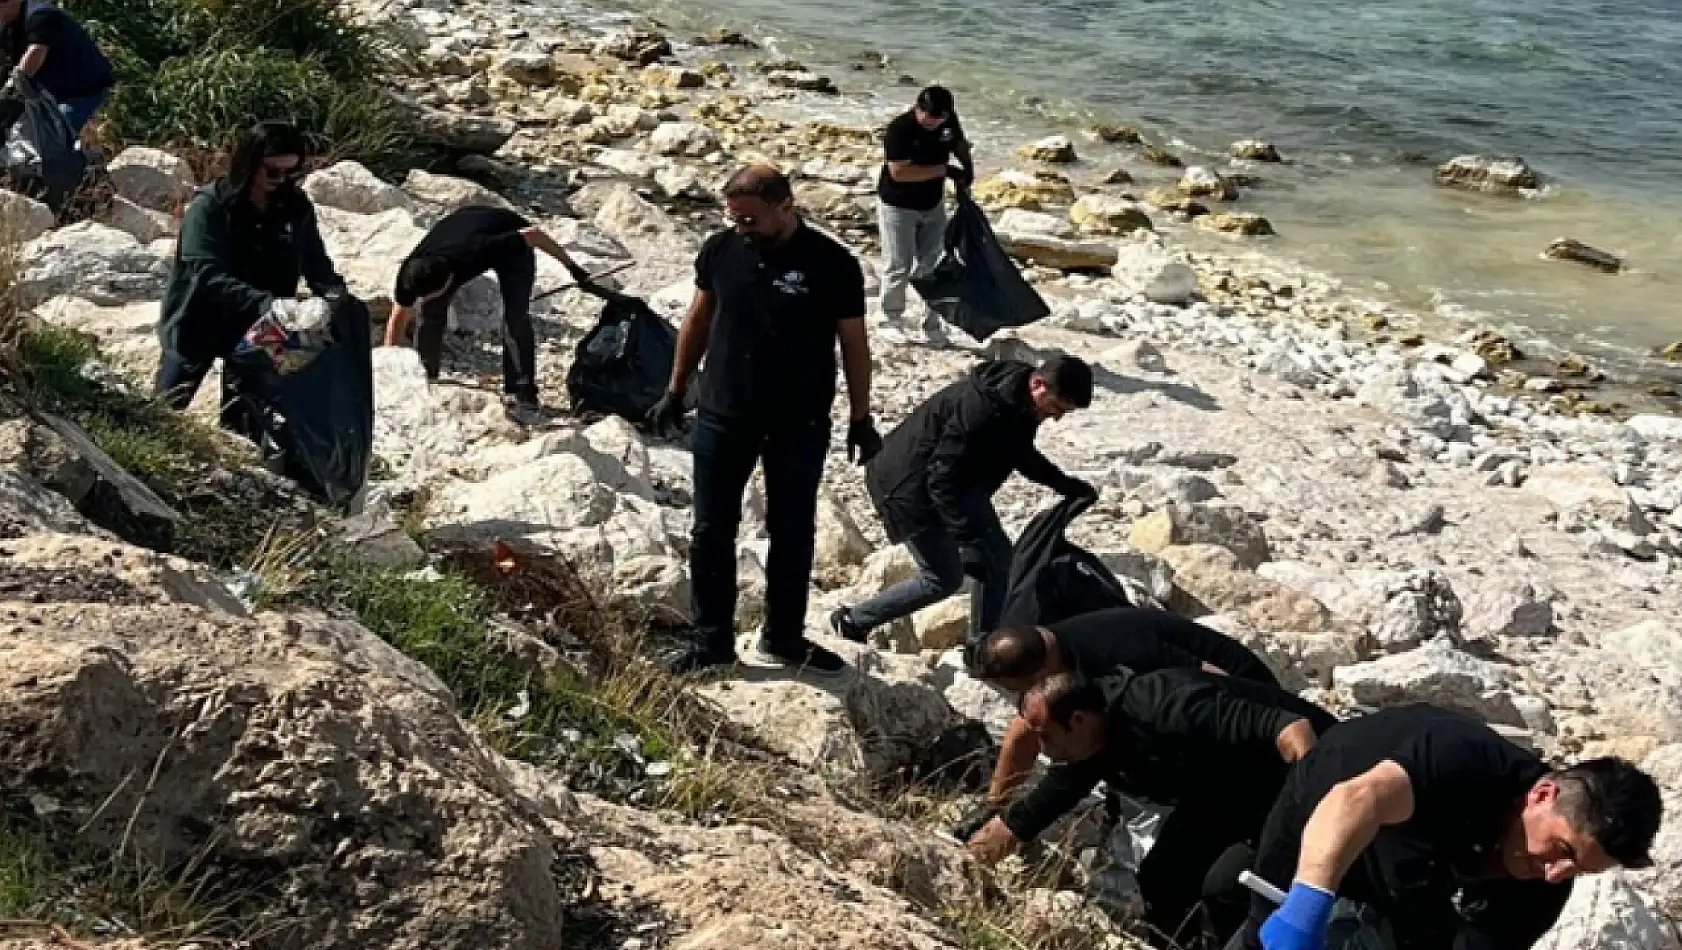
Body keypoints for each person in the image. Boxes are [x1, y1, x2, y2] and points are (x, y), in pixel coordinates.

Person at [648, 164, 880, 677]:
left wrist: (860, 418)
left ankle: (784, 637)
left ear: (786, 207)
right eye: (735, 218)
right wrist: (674, 388)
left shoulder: (832, 263)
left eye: (751, 219)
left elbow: (855, 345)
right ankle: (711, 641)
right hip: (722, 414)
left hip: (798, 422)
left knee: (793, 533)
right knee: (711, 530)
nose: (742, 228)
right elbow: (698, 318)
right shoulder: (721, 250)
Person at [1238, 704, 1662, 950]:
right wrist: (1304, 910)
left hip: (1413, 885)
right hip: (1324, 819)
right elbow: (1355, 802)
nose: (1555, 875)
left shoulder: (1539, 890)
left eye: (1579, 871)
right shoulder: (1461, 759)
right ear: (1542, 795)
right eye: (1562, 851)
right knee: (1273, 932)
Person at [968, 671, 1338, 950]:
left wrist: (1303, 816)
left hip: (1287, 788)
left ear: (1078, 720)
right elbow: (1037, 808)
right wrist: (963, 865)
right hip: (1218, 796)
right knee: (1162, 877)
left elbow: (1292, 728)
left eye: (1044, 734)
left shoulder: (1166, 707)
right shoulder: (1089, 743)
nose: (1041, 747)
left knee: (1225, 886)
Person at [828, 355, 1094, 653]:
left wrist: (1066, 485)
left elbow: (1019, 452)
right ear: (1039, 384)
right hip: (908, 486)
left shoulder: (1018, 401)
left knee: (998, 559)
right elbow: (941, 478)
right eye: (1057, 408)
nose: (1056, 417)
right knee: (943, 577)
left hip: (960, 481)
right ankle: (853, 620)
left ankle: (982, 644)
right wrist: (966, 538)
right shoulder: (979, 409)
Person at [967, 608, 1280, 827]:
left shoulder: (1118, 652)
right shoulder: (1048, 655)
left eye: (1020, 690)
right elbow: (1026, 728)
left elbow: (1212, 683)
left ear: (1040, 673)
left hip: (1245, 706)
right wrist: (995, 807)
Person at [155, 121, 343, 413]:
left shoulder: (294, 207)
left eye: (291, 172)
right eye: (272, 171)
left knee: (247, 416)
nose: (281, 179)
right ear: (249, 163)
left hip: (260, 328)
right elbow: (205, 272)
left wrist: (333, 297)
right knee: (165, 407)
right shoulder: (210, 207)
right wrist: (267, 303)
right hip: (199, 319)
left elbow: (314, 260)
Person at [384, 206, 597, 419]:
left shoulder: (480, 247)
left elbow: (535, 234)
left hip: (507, 241)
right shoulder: (410, 273)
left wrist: (573, 268)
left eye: (432, 293)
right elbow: (397, 319)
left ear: (450, 279)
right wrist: (386, 370)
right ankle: (427, 378)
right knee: (430, 312)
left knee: (516, 317)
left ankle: (523, 393)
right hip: (460, 231)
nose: (423, 299)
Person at [876, 84, 974, 343]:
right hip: (898, 206)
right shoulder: (900, 129)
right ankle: (890, 319)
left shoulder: (947, 121)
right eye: (930, 117)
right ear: (918, 108)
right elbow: (900, 173)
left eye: (940, 118)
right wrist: (945, 171)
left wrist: (967, 167)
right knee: (899, 264)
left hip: (932, 205)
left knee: (934, 264)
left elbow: (959, 144)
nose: (934, 123)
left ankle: (932, 324)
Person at [0, 0, 114, 133]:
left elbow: (35, 53)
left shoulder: (41, 16)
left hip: (81, 91)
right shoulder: (9, 24)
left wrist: (9, 90)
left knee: (52, 135)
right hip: (50, 91)